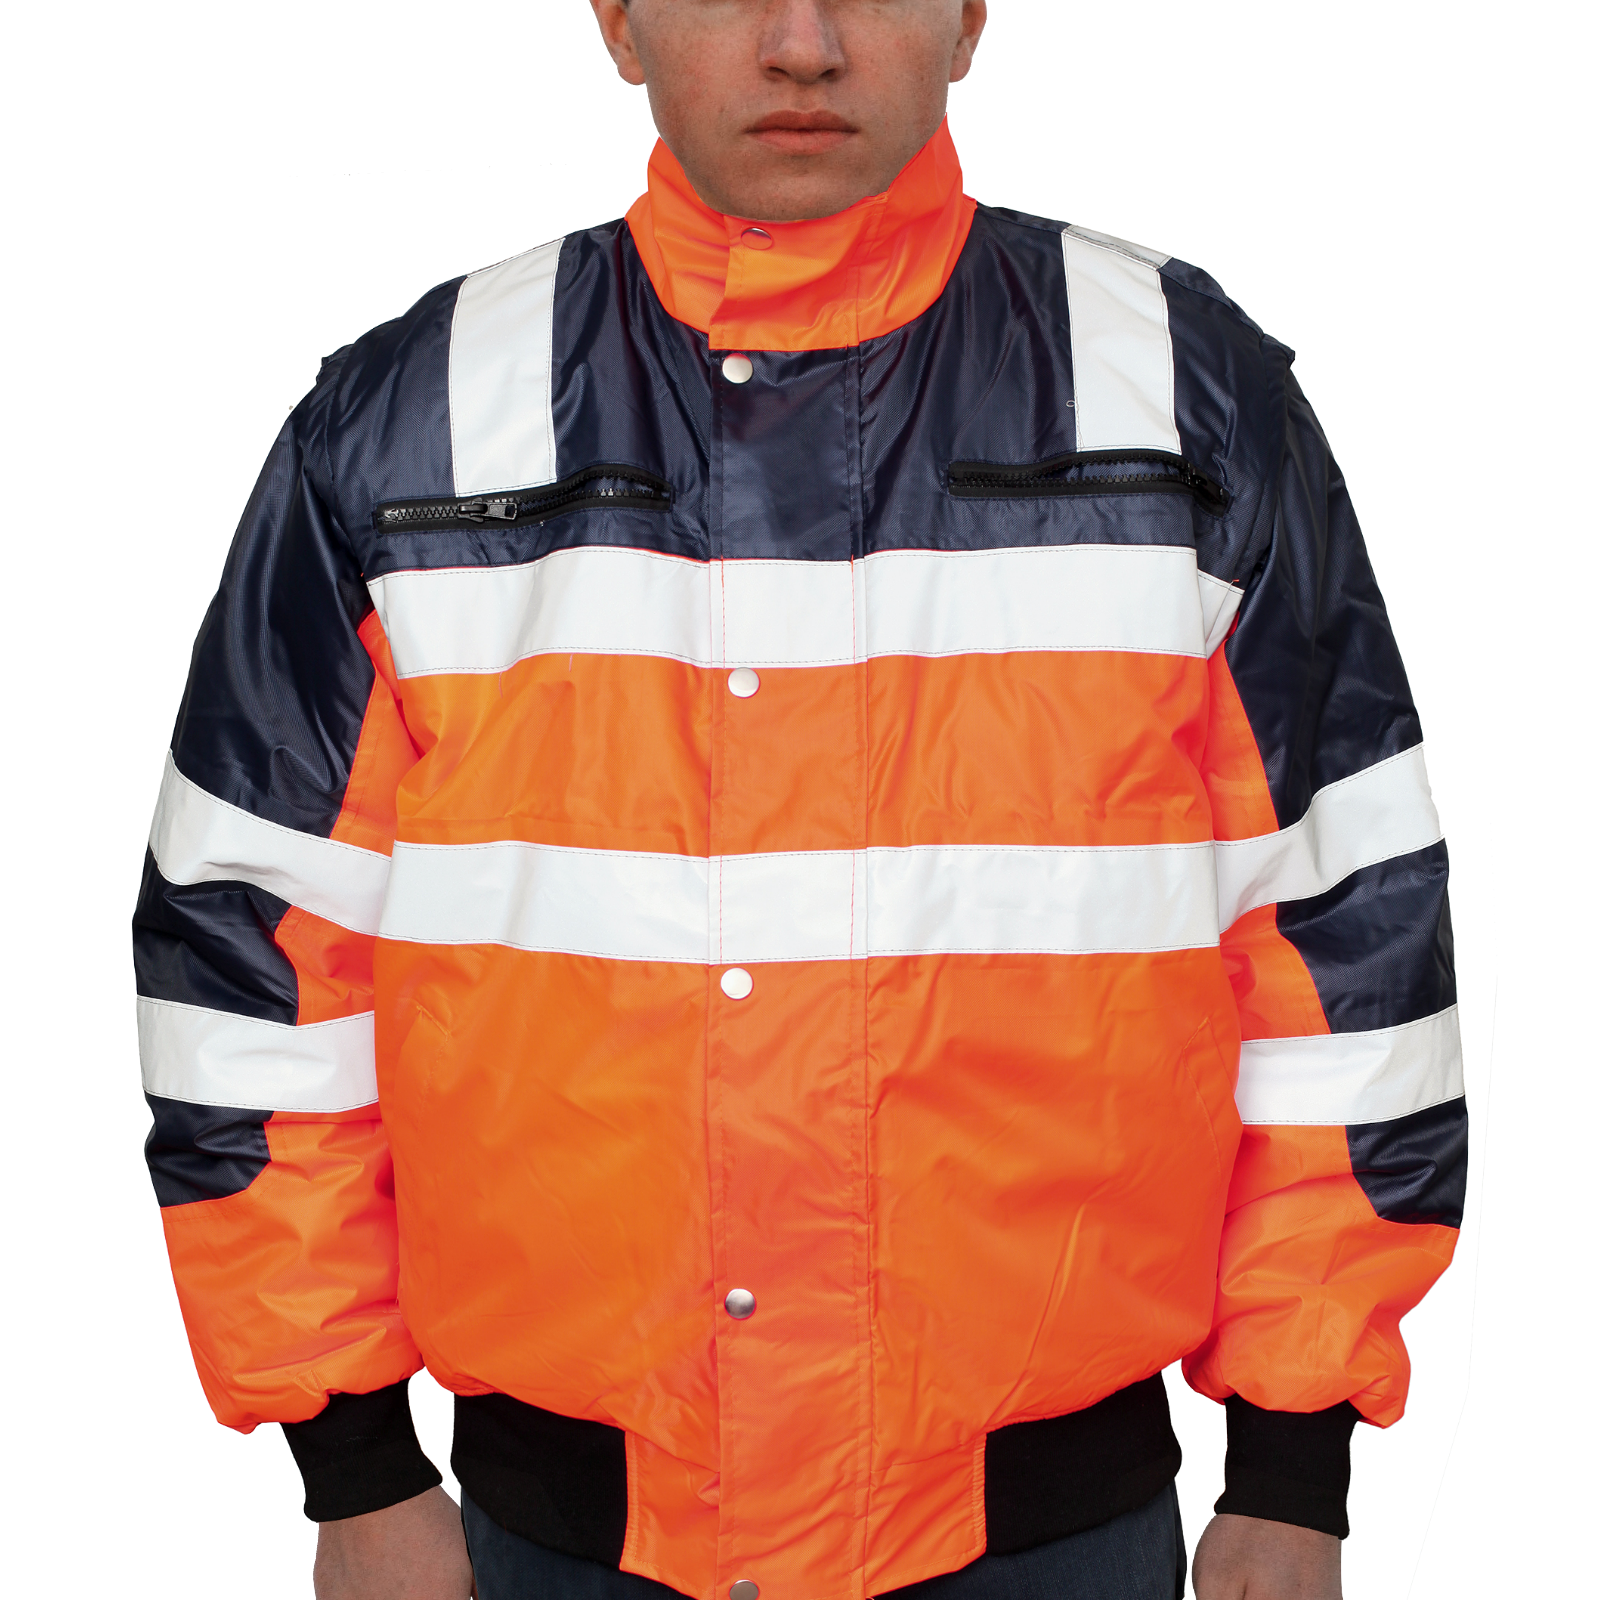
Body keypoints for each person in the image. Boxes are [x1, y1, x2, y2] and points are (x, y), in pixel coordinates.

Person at [133, 2, 1466, 1597]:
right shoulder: (415, 422)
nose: (802, 42)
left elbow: (1345, 937)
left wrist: (1294, 1467)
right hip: (559, 1544)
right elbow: (251, 952)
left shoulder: (1176, 397)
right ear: (620, 21)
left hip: (1049, 1538)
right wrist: (352, 1464)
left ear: (969, 17)